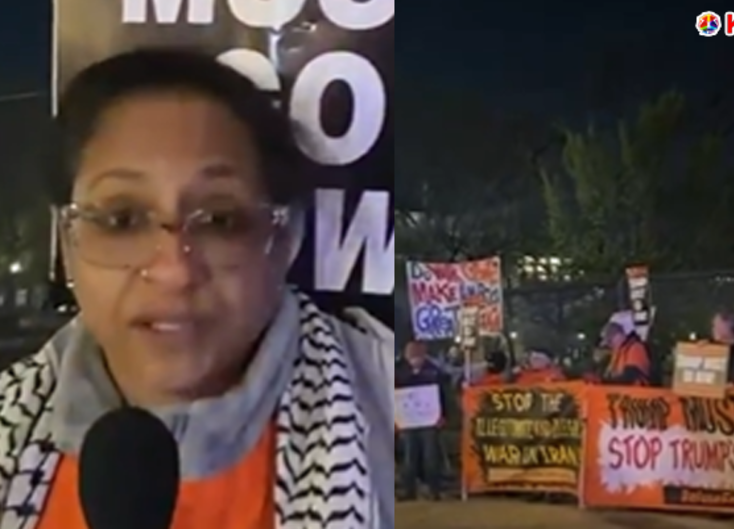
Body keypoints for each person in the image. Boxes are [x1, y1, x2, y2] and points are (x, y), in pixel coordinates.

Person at [0, 49, 393, 529]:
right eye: (122, 219)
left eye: (220, 221)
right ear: (67, 240)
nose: (174, 272)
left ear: (286, 239)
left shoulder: (386, 407)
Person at [395, 342, 447, 501]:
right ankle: (409, 490)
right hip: (408, 422)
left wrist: (443, 415)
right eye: (411, 355)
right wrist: (396, 419)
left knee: (430, 456)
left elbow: (443, 395)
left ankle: (433, 490)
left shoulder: (434, 371)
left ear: (424, 355)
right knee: (409, 457)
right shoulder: (398, 371)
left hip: (429, 422)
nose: (414, 358)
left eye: (417, 355)